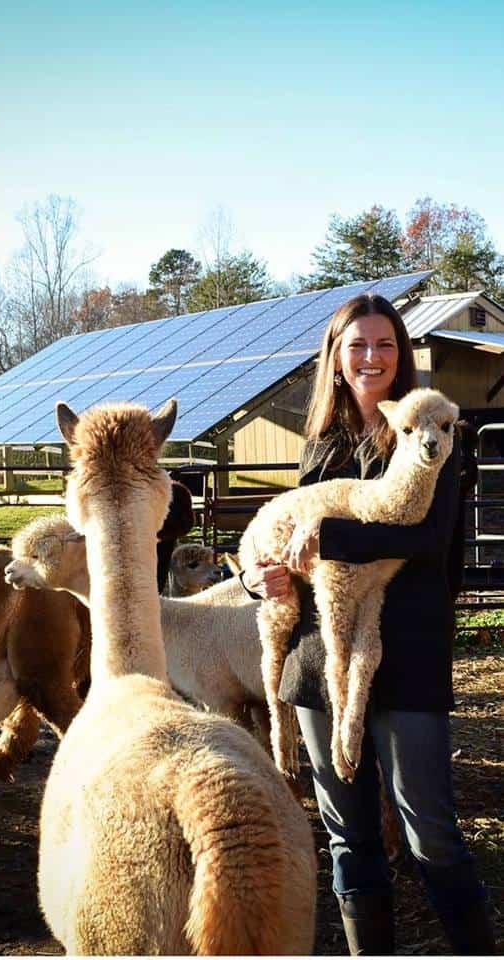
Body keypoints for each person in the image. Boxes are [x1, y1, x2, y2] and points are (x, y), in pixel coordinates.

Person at [240, 293, 496, 955]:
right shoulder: (319, 447)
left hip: (404, 649)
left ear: (401, 355)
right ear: (335, 357)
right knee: (347, 836)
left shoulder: (428, 430)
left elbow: (428, 539)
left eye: (384, 345)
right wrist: (256, 578)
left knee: (428, 828)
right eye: (357, 345)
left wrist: (327, 535)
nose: (371, 357)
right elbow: (278, 546)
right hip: (314, 654)